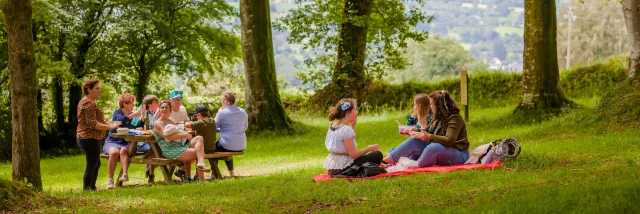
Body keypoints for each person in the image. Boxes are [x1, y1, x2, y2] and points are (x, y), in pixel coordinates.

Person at [406, 90, 470, 168]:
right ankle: (388, 160)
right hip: (444, 150)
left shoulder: (454, 118)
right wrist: (417, 131)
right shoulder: (438, 117)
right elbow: (427, 131)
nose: (430, 106)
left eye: (431, 104)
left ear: (438, 105)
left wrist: (429, 137)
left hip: (459, 153)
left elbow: (449, 140)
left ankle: (415, 165)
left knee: (433, 148)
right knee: (415, 140)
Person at [76, 79, 119, 191]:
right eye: (97, 88)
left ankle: (92, 187)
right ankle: (87, 189)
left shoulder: (88, 102)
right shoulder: (88, 103)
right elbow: (93, 124)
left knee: (96, 163)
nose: (99, 91)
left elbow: (95, 119)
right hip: (89, 138)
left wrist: (109, 123)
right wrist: (110, 127)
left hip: (89, 137)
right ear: (89, 90)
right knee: (92, 164)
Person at [153, 100, 210, 182]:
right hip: (171, 149)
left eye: (166, 107)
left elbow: (179, 131)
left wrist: (184, 133)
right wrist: (184, 135)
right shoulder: (158, 123)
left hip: (180, 145)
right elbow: (168, 137)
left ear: (170, 109)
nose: (164, 109)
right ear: (159, 109)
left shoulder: (171, 121)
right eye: (162, 107)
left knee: (199, 138)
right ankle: (201, 179)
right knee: (199, 152)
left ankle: (199, 164)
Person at [323, 98, 382, 175]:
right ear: (348, 113)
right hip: (343, 168)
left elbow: (343, 144)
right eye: (355, 110)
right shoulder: (346, 129)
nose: (357, 112)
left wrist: (352, 129)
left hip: (333, 169)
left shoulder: (333, 126)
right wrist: (369, 148)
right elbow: (354, 155)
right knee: (377, 155)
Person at [102, 93, 145, 189]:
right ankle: (110, 181)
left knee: (123, 151)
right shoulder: (117, 113)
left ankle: (125, 174)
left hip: (125, 142)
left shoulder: (131, 115)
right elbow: (120, 120)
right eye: (131, 103)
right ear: (125, 104)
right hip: (112, 141)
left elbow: (136, 126)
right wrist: (134, 114)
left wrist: (142, 118)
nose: (133, 105)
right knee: (114, 153)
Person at [382, 94, 432, 165]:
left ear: (419, 106)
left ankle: (384, 161)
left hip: (427, 147)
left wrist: (417, 131)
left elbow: (428, 134)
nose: (414, 107)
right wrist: (412, 117)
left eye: (415, 105)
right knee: (392, 150)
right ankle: (395, 157)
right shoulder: (416, 117)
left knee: (413, 141)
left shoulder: (431, 117)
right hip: (418, 149)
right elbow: (410, 129)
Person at [214, 91, 248, 177]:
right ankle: (232, 173)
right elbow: (245, 128)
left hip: (227, 145)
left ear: (227, 101)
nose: (221, 101)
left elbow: (213, 127)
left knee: (212, 148)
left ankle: (214, 174)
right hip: (241, 145)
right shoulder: (243, 111)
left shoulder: (222, 113)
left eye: (222, 99)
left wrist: (218, 112)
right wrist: (225, 129)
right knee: (226, 144)